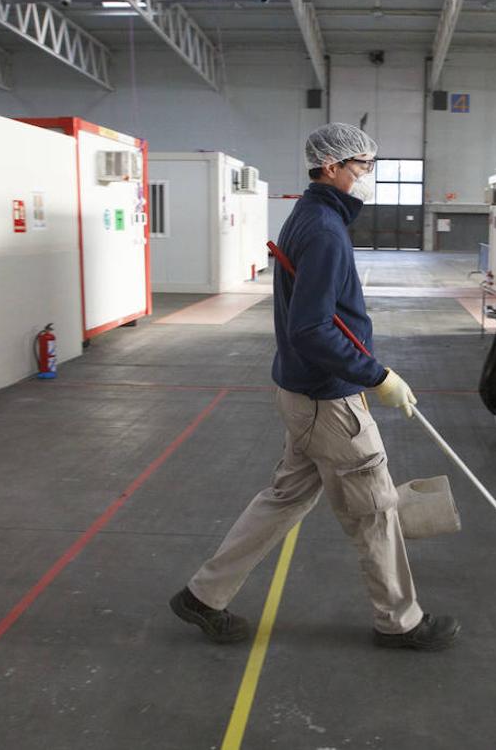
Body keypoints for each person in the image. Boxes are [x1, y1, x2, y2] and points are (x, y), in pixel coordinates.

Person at [170, 123, 460, 651]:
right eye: (362, 168)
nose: (367, 178)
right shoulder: (325, 230)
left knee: (285, 498)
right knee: (373, 508)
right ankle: (400, 622)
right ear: (332, 167)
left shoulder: (309, 217)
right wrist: (377, 376)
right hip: (329, 402)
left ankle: (202, 595)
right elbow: (312, 328)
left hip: (302, 394)